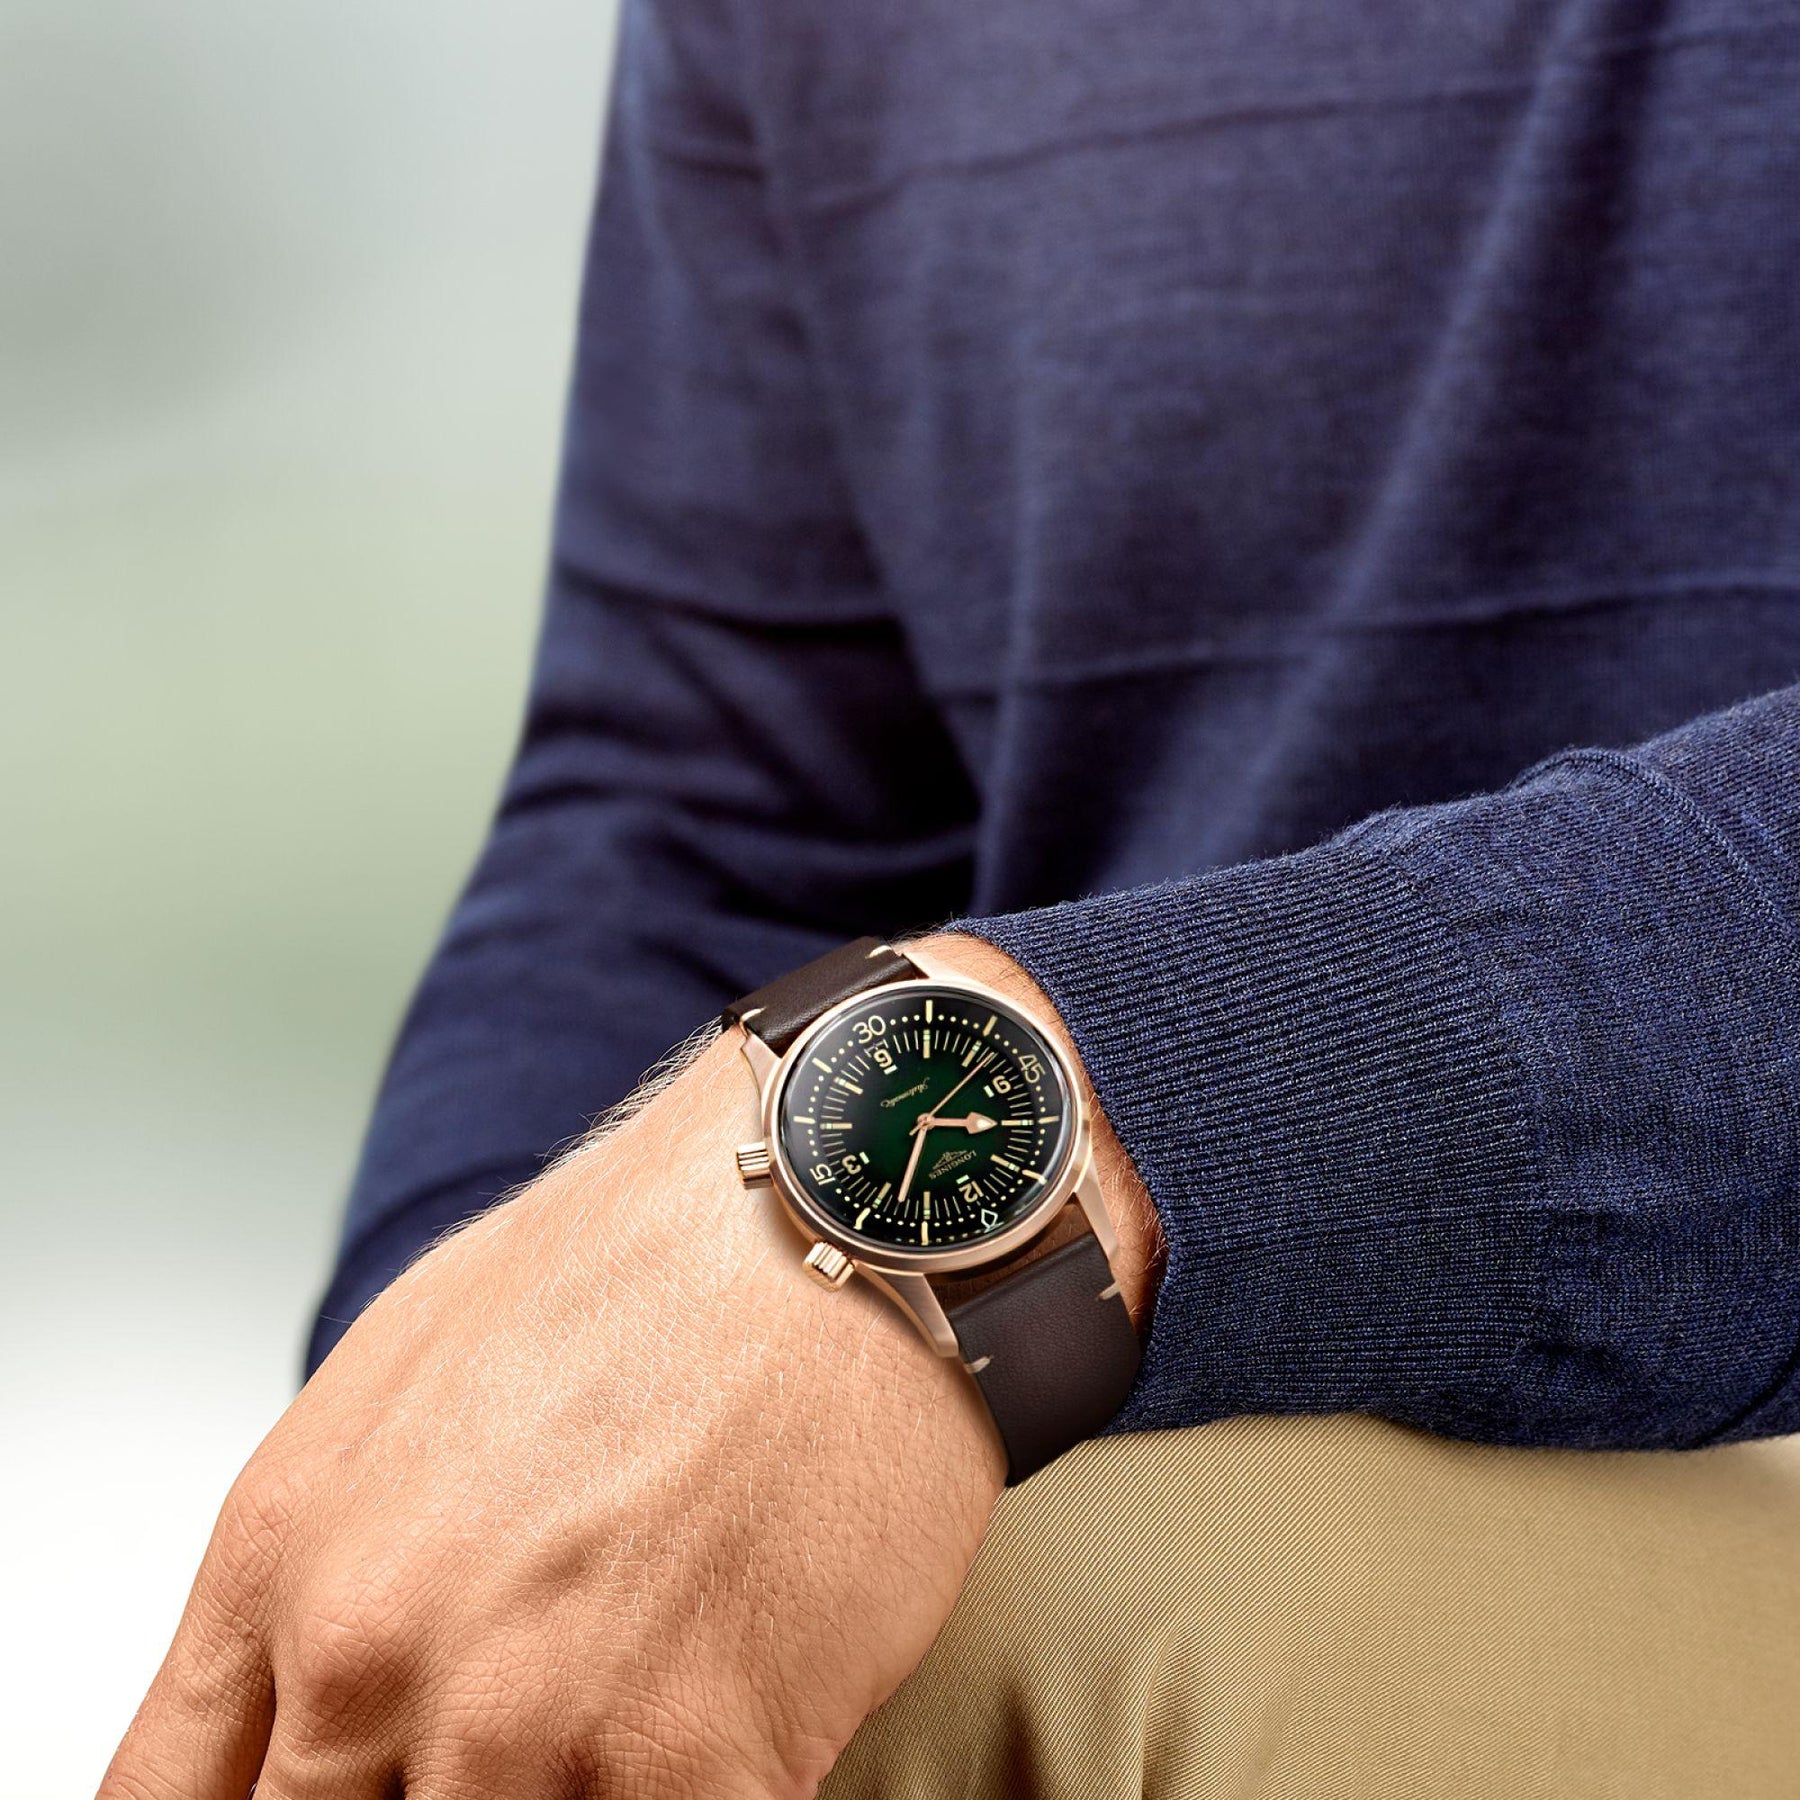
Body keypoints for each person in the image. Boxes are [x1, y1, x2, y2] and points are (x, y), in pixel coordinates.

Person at [105, 0, 1800, 1794]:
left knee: (968, 1649)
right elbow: (707, 803)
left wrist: (1090, 1152)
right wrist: (468, 1462)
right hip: (1124, 1364)